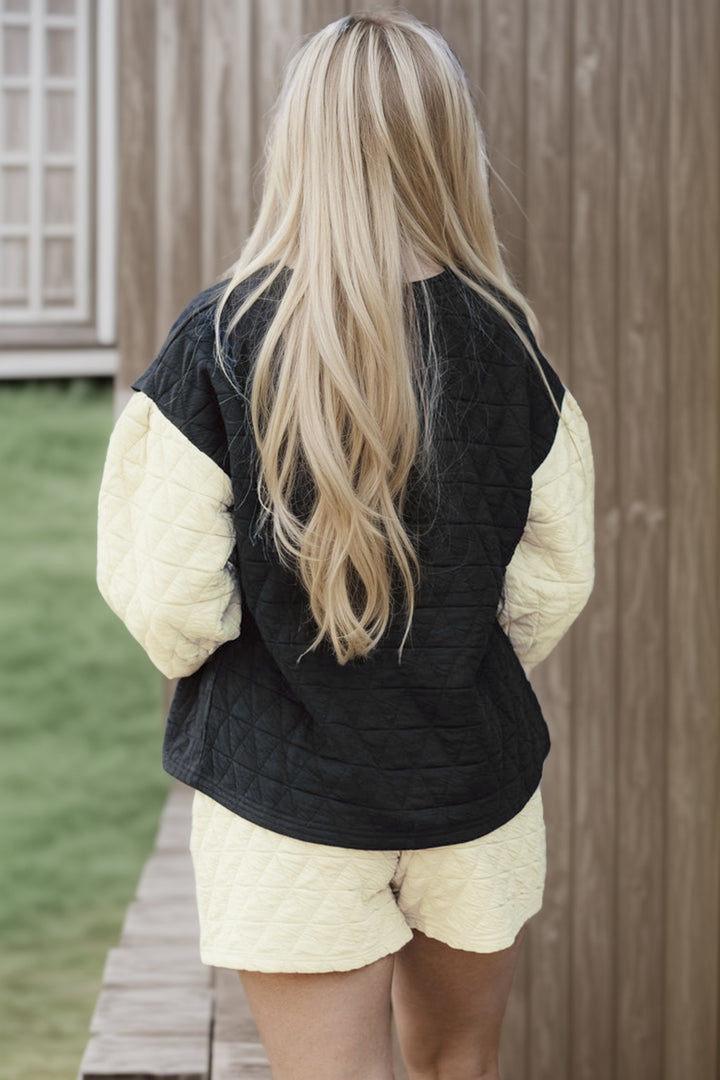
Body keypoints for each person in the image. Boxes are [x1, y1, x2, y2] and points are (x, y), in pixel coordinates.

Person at [96, 9, 595, 1079]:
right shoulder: (511, 345)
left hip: (288, 804)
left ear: (299, 142)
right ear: (449, 145)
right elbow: (552, 586)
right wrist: (447, 657)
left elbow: (174, 607)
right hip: (472, 786)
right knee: (461, 1063)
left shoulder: (219, 337)